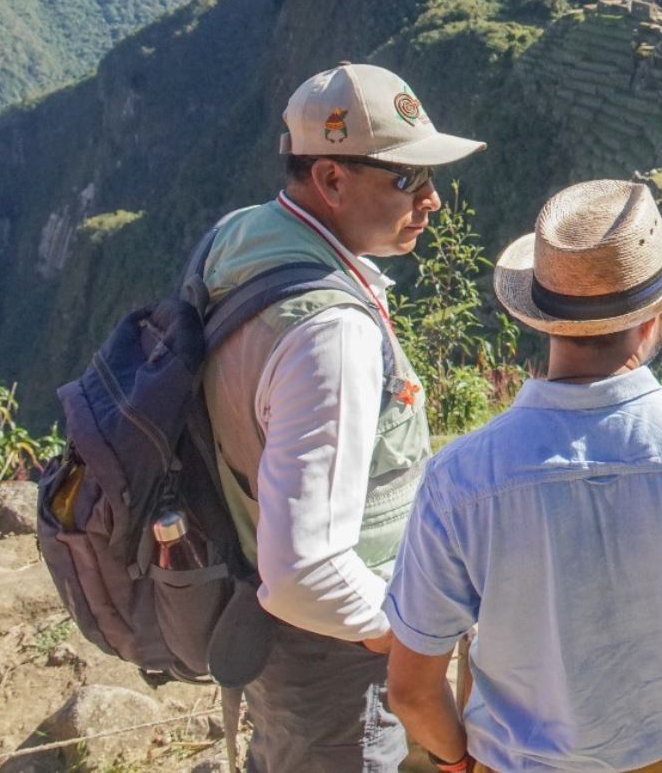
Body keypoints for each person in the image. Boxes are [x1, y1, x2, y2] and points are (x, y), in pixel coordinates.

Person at [384, 179, 662, 773]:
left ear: (541, 318)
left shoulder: (460, 481)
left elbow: (411, 690)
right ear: (656, 318)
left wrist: (456, 761)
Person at [201, 63, 484, 771]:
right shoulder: (328, 333)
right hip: (335, 662)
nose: (432, 201)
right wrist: (399, 634)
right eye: (406, 180)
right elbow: (304, 572)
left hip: (272, 625)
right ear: (330, 180)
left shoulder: (242, 240)